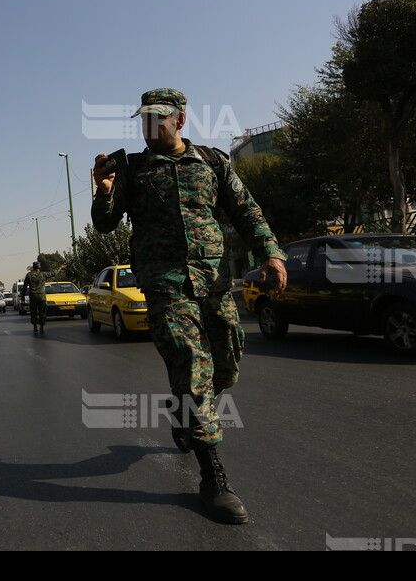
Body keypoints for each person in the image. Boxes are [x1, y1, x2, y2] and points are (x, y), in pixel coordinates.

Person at [91, 87, 288, 525]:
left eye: (158, 118)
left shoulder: (214, 162)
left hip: (215, 282)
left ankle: (185, 416)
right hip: (165, 286)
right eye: (144, 119)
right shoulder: (133, 167)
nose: (149, 126)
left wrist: (271, 254)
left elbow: (246, 211)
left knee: (227, 363)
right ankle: (213, 474)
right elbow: (105, 225)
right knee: (189, 361)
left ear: (180, 120)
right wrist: (104, 190)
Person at [21, 261, 65, 334]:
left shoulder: (29, 275)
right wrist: (60, 267)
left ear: (33, 267)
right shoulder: (43, 274)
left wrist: (22, 296)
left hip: (33, 296)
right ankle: (41, 327)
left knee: (33, 312)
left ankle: (35, 327)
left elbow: (24, 287)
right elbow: (53, 273)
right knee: (42, 312)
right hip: (41, 297)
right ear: (39, 267)